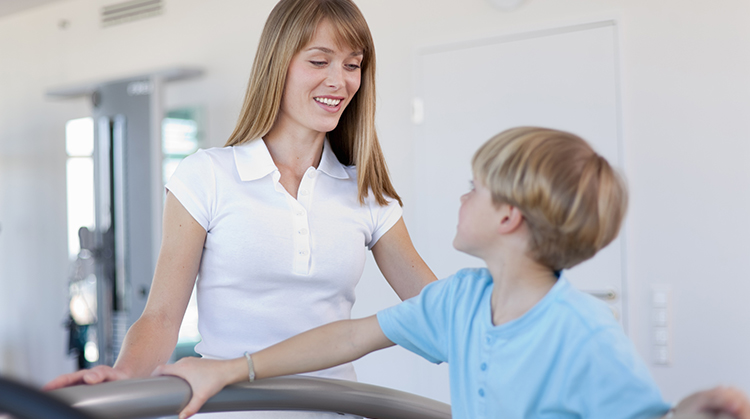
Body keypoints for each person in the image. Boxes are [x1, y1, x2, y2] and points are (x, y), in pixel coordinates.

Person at [155, 127, 750, 419]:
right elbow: (350, 335)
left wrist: (685, 413)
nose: (460, 200)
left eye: (474, 190)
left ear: (509, 216)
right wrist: (231, 369)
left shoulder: (583, 332)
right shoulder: (460, 302)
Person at [45, 0, 436, 417]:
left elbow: (440, 309)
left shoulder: (368, 194)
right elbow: (160, 317)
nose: (339, 81)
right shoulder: (207, 176)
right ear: (277, 63)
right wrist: (124, 376)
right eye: (320, 61)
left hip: (332, 410)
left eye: (352, 65)